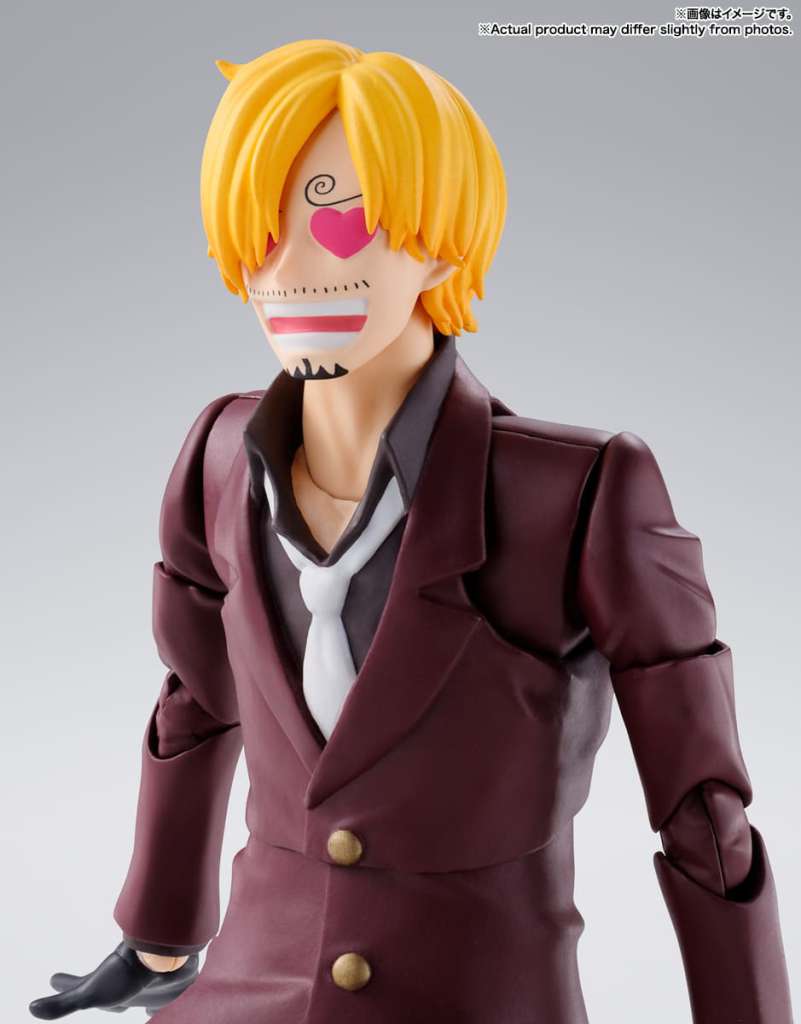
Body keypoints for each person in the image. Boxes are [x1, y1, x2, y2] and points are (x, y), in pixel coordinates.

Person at [30, 38, 792, 1024]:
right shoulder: (219, 455)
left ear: (437, 237)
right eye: (262, 227)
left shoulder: (575, 490)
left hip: (476, 993)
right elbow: (197, 701)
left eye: (337, 219)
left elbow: (703, 810)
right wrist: (158, 934)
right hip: (247, 989)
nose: (289, 266)